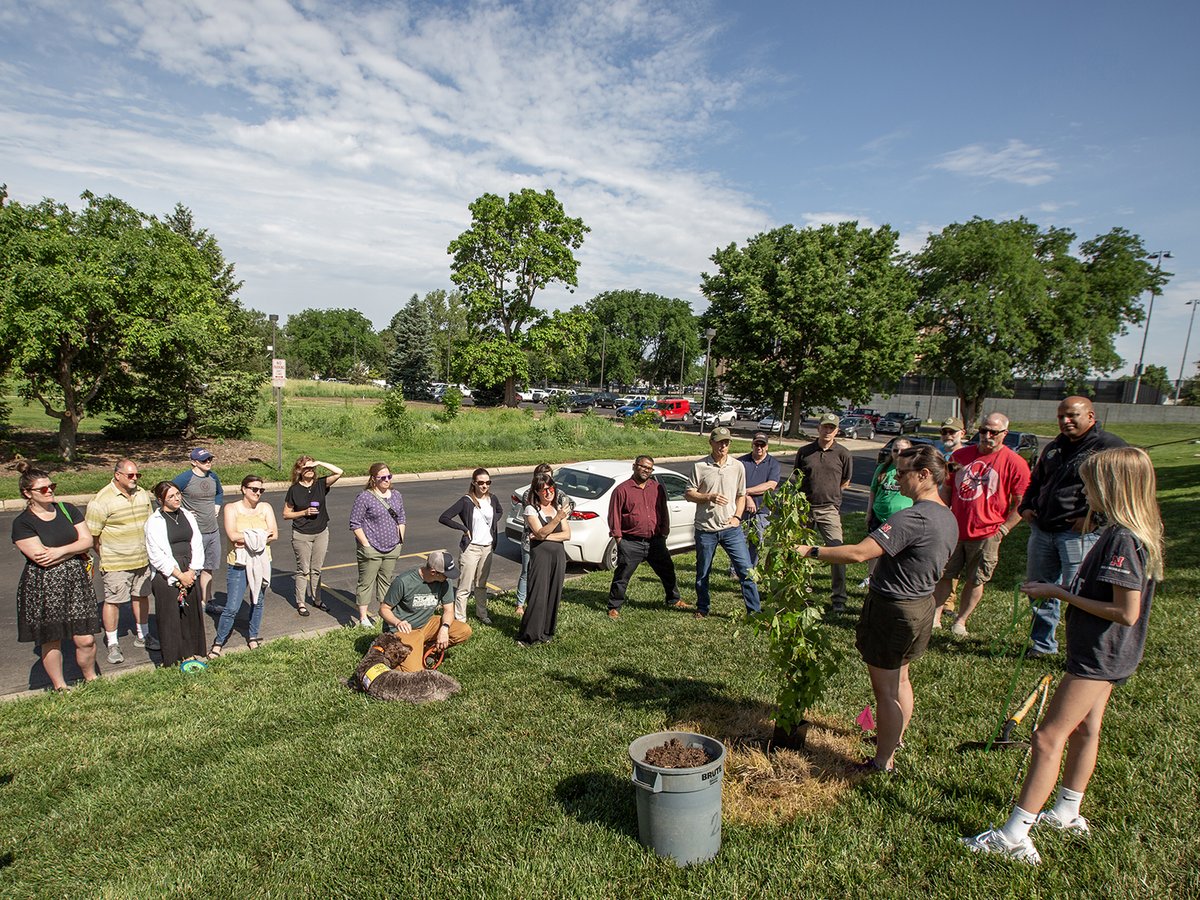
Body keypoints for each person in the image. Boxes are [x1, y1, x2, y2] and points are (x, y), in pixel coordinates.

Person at [962, 447, 1163, 866]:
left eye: (1091, 483)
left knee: (1047, 737)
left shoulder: (1123, 539)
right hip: (1110, 655)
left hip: (1098, 655)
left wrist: (1058, 592)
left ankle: (1015, 835)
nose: (1085, 491)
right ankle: (1068, 810)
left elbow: (1126, 612)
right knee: (1087, 729)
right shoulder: (1127, 531)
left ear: (1112, 487)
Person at [795, 445, 958, 773]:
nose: (895, 479)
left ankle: (882, 761)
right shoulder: (946, 515)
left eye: (902, 473)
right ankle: (893, 738)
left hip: (894, 610)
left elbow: (858, 553)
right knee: (901, 680)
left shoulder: (913, 517)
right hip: (922, 605)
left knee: (885, 691)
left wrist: (807, 550)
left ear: (924, 475)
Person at [1020, 397, 1127, 659]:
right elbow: (1037, 480)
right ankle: (1042, 644)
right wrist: (1026, 506)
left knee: (1080, 593)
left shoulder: (1109, 447)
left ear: (1090, 416)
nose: (1065, 421)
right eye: (1060, 417)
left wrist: (1096, 519)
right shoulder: (1055, 447)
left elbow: (1122, 490)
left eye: (1072, 415)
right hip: (1043, 529)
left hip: (1078, 534)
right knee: (1039, 589)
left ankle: (1082, 650)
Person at [932, 412, 1030, 637]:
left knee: (976, 579)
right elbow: (947, 488)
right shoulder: (960, 456)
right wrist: (942, 513)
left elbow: (1022, 502)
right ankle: (936, 616)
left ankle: (960, 621)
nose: (987, 436)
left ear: (1004, 434)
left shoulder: (1015, 463)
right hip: (955, 529)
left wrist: (1003, 529)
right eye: (983, 430)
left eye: (993, 432)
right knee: (945, 574)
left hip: (988, 533)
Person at [11, 462, 99, 691]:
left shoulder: (67, 509)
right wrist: (74, 548)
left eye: (52, 486)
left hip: (76, 580)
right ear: (27, 493)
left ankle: (92, 679)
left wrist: (59, 551)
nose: (49, 491)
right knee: (52, 638)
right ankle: (60, 686)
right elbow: (41, 558)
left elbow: (87, 541)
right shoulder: (23, 523)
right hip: (43, 583)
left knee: (86, 638)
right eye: (43, 489)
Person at [85, 459, 158, 665]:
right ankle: (113, 642)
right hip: (116, 562)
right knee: (114, 601)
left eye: (137, 475)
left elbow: (150, 524)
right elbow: (92, 536)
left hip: (142, 559)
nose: (135, 478)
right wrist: (106, 554)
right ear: (117, 475)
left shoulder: (142, 494)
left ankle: (143, 635)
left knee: (141, 596)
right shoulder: (101, 501)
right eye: (130, 475)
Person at [685, 427, 760, 619]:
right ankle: (703, 608)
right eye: (719, 442)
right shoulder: (700, 466)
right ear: (711, 443)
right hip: (705, 529)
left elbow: (741, 495)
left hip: (731, 529)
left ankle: (755, 612)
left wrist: (737, 517)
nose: (723, 446)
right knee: (703, 572)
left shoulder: (737, 466)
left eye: (726, 442)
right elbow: (689, 494)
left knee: (746, 571)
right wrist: (708, 496)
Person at [210, 475, 278, 656]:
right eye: (254, 489)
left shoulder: (266, 508)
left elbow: (275, 535)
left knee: (258, 601)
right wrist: (261, 535)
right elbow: (232, 535)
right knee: (232, 606)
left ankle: (253, 636)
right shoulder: (231, 508)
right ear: (243, 489)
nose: (258, 493)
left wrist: (247, 537)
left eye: (261, 490)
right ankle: (218, 642)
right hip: (238, 563)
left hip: (262, 563)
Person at [606, 455, 682, 618]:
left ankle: (674, 599)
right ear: (634, 466)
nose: (646, 470)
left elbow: (663, 510)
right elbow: (614, 516)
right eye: (643, 467)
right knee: (622, 576)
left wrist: (664, 531)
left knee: (667, 570)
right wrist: (619, 539)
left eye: (649, 468)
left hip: (655, 541)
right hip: (631, 542)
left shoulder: (657, 488)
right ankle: (614, 606)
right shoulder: (622, 490)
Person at [791, 413, 853, 611]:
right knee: (801, 552)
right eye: (825, 427)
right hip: (804, 509)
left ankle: (839, 600)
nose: (828, 431)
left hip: (829, 509)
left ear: (837, 430)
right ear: (818, 428)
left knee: (837, 552)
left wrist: (831, 497)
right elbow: (796, 477)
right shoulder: (804, 451)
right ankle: (802, 594)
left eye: (832, 428)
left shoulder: (843, 453)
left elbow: (845, 481)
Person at [144, 481, 207, 667]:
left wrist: (193, 570)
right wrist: (179, 575)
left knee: (189, 614)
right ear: (160, 500)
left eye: (178, 494)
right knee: (170, 617)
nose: (177, 498)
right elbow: (156, 554)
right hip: (168, 573)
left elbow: (197, 542)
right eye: (171, 496)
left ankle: (189, 654)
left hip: (190, 567)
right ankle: (172, 658)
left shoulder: (187, 515)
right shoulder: (154, 522)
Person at [379, 550, 472, 670]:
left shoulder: (445, 582)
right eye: (446, 574)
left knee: (464, 630)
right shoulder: (403, 581)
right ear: (434, 572)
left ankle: (427, 648)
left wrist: (444, 628)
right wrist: (398, 622)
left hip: (425, 625)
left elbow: (449, 610)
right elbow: (383, 609)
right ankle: (392, 656)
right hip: (404, 631)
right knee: (415, 671)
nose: (448, 577)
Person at [438, 468, 504, 625]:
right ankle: (460, 619)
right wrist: (463, 528)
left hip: (487, 547)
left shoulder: (492, 499)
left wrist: (492, 523)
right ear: (474, 483)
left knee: (481, 584)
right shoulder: (466, 500)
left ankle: (482, 614)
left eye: (488, 482)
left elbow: (499, 512)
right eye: (481, 483)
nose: (484, 486)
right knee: (465, 586)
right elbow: (444, 517)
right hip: (471, 548)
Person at [282, 455, 344, 617]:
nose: (309, 470)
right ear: (299, 471)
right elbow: (286, 514)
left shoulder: (321, 484)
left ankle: (317, 600)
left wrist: (320, 462)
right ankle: (301, 603)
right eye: (305, 468)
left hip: (321, 532)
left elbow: (339, 472)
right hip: (301, 534)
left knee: (316, 569)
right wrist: (304, 512)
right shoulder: (294, 490)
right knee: (303, 570)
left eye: (312, 468)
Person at [349, 462, 407, 628]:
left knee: (386, 581)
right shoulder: (364, 497)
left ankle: (385, 612)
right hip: (371, 548)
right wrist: (366, 545)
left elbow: (401, 518)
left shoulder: (396, 495)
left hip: (392, 547)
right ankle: (363, 617)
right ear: (373, 479)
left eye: (389, 476)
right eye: (382, 478)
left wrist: (400, 540)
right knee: (366, 582)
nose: (386, 480)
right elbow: (355, 523)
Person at [516, 472, 571, 646]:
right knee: (538, 594)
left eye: (551, 488)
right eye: (544, 490)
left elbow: (567, 535)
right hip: (540, 557)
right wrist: (557, 519)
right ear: (537, 492)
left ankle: (546, 632)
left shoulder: (557, 508)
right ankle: (529, 635)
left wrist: (543, 536)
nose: (548, 493)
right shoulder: (531, 510)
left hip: (558, 557)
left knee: (553, 593)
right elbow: (539, 531)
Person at [173, 448, 224, 615]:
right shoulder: (185, 478)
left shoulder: (213, 476)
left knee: (209, 567)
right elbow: (166, 494)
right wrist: (181, 511)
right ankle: (188, 602)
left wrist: (217, 504)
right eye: (204, 460)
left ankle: (206, 601)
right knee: (193, 569)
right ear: (194, 462)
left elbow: (219, 492)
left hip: (213, 530)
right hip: (195, 533)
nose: (208, 462)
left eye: (209, 459)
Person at [861, 438, 914, 588]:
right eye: (895, 450)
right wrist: (869, 512)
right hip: (879, 515)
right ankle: (870, 577)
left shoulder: (912, 470)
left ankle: (894, 579)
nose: (899, 453)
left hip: (901, 518)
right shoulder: (883, 468)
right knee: (874, 548)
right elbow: (873, 491)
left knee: (898, 551)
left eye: (903, 450)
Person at [738, 432, 781, 569]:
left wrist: (747, 491)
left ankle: (751, 569)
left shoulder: (773, 463)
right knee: (739, 540)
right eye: (757, 444)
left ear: (767, 447)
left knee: (757, 540)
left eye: (762, 445)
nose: (759, 447)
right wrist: (747, 498)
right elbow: (734, 484)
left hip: (762, 509)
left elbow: (770, 485)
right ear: (752, 444)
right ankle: (736, 569)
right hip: (740, 508)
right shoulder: (741, 462)